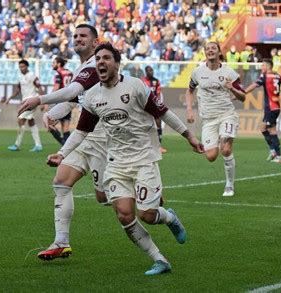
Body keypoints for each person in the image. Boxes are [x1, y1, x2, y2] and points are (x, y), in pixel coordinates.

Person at [46, 43, 204, 275]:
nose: (101, 62)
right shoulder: (92, 96)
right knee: (124, 214)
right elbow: (81, 131)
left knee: (147, 215)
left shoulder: (135, 86)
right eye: (98, 58)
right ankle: (160, 260)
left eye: (106, 58)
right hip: (116, 162)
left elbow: (163, 112)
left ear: (117, 63)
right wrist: (61, 154)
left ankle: (169, 218)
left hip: (143, 159)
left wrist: (189, 136)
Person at [18, 24, 109, 260]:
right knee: (61, 182)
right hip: (83, 136)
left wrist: (40, 99)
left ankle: (157, 209)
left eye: (83, 36)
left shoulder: (94, 67)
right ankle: (61, 242)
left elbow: (72, 92)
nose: (77, 39)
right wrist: (52, 114)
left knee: (105, 198)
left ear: (95, 42)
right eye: (75, 36)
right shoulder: (81, 67)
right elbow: (73, 101)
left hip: (103, 139)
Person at [186, 41, 246, 197]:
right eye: (207, 49)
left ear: (219, 52)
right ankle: (213, 143)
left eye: (213, 48)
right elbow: (189, 91)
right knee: (211, 156)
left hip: (227, 115)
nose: (210, 50)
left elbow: (243, 96)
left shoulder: (229, 73)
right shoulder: (197, 72)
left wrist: (232, 88)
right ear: (205, 53)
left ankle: (229, 185)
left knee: (226, 149)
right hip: (208, 120)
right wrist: (190, 111)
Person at [1, 59, 44, 152]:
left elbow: (40, 87)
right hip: (25, 101)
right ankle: (38, 145)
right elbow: (17, 90)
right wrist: (9, 98)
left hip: (32, 101)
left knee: (20, 119)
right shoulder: (20, 77)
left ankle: (17, 144)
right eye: (20, 67)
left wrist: (42, 102)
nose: (21, 68)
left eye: (23, 66)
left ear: (27, 66)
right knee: (31, 121)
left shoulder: (32, 76)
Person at [48, 56, 74, 146]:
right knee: (65, 127)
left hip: (61, 101)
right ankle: (68, 147)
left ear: (58, 64)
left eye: (53, 62)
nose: (52, 64)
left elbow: (56, 87)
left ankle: (64, 144)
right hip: (69, 101)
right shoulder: (70, 73)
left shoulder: (58, 73)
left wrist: (48, 99)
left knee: (49, 125)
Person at [141, 66, 167, 153]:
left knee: (158, 123)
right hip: (144, 106)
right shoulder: (142, 81)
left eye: (151, 70)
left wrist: (157, 104)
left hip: (154, 105)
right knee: (144, 125)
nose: (150, 72)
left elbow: (158, 94)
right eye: (148, 71)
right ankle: (144, 146)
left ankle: (159, 146)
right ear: (145, 72)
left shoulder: (156, 81)